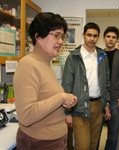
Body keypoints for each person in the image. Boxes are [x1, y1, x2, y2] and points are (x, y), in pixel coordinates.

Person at [13, 12, 78, 150]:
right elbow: (27, 115)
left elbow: (46, 99)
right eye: (56, 35)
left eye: (62, 36)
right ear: (38, 37)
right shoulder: (28, 64)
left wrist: (66, 99)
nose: (60, 41)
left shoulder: (45, 63)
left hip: (54, 141)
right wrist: (61, 97)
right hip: (39, 143)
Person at [62, 22, 111, 150]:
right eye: (89, 35)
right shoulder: (74, 57)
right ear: (83, 35)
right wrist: (67, 113)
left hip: (98, 106)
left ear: (98, 37)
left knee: (94, 145)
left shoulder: (102, 55)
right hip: (79, 106)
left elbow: (106, 81)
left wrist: (106, 104)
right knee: (83, 146)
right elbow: (67, 84)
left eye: (95, 36)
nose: (92, 38)